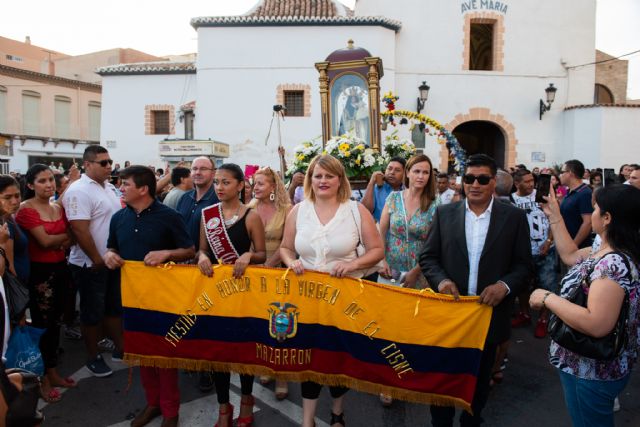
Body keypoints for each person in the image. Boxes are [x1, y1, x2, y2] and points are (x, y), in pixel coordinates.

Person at [420, 154, 532, 427]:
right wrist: (442, 282)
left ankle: (472, 421)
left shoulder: (514, 217)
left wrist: (504, 287)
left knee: (480, 381)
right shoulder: (445, 214)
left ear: (494, 182)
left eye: (482, 179)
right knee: (443, 378)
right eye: (469, 178)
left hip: (488, 316)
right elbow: (428, 258)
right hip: (450, 316)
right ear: (462, 181)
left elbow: (524, 266)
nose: (475, 184)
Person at [280, 154, 384, 427]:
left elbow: (377, 251)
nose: (323, 181)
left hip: (343, 296)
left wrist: (352, 265)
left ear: (340, 180)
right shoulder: (298, 210)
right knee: (309, 354)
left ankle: (337, 412)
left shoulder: (355, 210)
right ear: (310, 180)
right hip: (307, 297)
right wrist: (292, 263)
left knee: (339, 356)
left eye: (329, 176)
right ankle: (307, 419)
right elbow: (286, 247)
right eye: (318, 176)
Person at [529, 184, 640, 427]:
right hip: (593, 367)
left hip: (591, 371)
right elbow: (570, 255)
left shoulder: (613, 263)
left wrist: (547, 298)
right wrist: (555, 216)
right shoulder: (610, 250)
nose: (593, 214)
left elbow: (596, 323)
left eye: (596, 208)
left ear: (608, 218)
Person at [104, 166, 194, 427]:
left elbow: (188, 249)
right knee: (142, 354)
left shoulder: (170, 216)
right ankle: (152, 403)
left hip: (165, 300)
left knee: (165, 356)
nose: (121, 188)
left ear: (143, 189)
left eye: (125, 184)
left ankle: (170, 411)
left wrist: (166, 254)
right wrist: (109, 255)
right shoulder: (118, 218)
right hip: (133, 300)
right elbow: (111, 247)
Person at [196, 163, 266, 427]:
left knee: (244, 351)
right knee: (218, 353)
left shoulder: (251, 216)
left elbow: (262, 254)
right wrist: (202, 256)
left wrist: (249, 255)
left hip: (242, 293)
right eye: (217, 182)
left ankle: (247, 400)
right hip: (215, 294)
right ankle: (223, 406)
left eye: (226, 182)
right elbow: (201, 250)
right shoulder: (208, 215)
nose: (219, 187)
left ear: (240, 185)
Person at [62, 145, 123, 377]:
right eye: (103, 163)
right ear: (87, 165)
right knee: (91, 313)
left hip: (110, 261)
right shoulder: (78, 190)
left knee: (113, 308)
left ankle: (119, 347)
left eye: (110, 162)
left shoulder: (108, 187)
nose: (109, 166)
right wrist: (97, 259)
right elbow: (80, 230)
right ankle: (92, 356)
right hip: (90, 264)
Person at [16, 164, 74, 403]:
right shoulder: (25, 209)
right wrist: (59, 240)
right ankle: (41, 378)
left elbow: (70, 238)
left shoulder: (57, 206)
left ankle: (52, 370)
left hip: (61, 269)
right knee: (42, 326)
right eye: (42, 181)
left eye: (51, 179)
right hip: (40, 274)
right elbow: (45, 242)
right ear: (30, 185)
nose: (49, 184)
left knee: (56, 323)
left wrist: (57, 241)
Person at [175, 156, 219, 392]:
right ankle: (192, 358)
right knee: (187, 316)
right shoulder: (184, 198)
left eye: (203, 168)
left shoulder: (218, 198)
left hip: (210, 268)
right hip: (185, 267)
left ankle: (207, 368)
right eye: (194, 168)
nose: (198, 172)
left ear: (213, 173)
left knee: (206, 319)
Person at [248, 167, 292, 398]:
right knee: (260, 324)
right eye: (254, 184)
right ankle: (266, 366)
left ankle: (283, 375)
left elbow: (289, 242)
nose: (255, 188)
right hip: (254, 275)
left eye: (261, 184)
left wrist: (270, 265)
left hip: (279, 273)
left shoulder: (287, 210)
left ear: (273, 187)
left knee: (280, 324)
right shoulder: (249, 208)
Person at [380, 154, 438, 289]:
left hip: (421, 270)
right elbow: (381, 232)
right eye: (417, 171)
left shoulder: (435, 204)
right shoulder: (394, 198)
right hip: (391, 269)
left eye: (425, 172)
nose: (421, 176)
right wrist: (382, 261)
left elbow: (435, 243)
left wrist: (416, 271)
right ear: (407, 173)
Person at [510, 169, 556, 338]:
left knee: (547, 285)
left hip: (545, 250)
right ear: (517, 184)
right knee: (523, 285)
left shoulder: (541, 196)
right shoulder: (511, 200)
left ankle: (543, 320)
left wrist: (549, 241)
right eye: (527, 181)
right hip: (523, 251)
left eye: (532, 180)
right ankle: (524, 313)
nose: (531, 184)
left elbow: (554, 219)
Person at [559, 160, 594, 281]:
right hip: (566, 247)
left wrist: (573, 245)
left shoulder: (584, 193)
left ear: (570, 173)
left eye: (562, 172)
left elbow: (588, 222)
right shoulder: (569, 192)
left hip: (578, 250)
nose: (560, 175)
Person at [0, 175, 30, 286]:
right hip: (13, 287)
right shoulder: (4, 226)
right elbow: (9, 267)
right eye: (7, 197)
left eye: (17, 196)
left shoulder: (9, 218)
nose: (14, 201)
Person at [361, 157, 405, 222]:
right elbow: (364, 211)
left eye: (397, 170)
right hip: (378, 230)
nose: (392, 172)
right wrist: (371, 183)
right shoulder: (375, 188)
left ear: (405, 174)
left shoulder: (408, 190)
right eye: (389, 169)